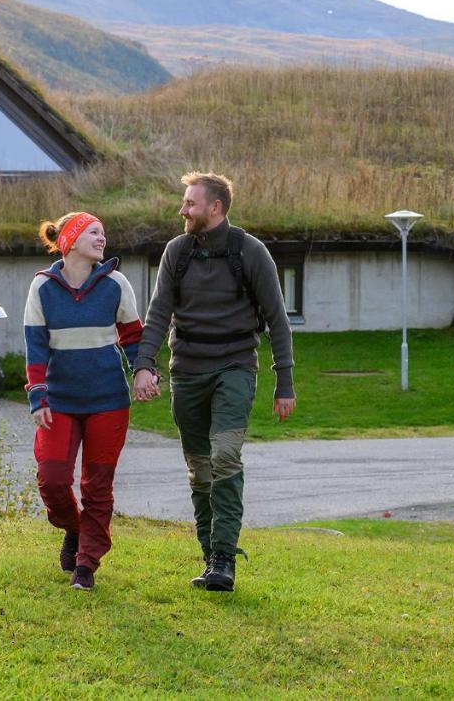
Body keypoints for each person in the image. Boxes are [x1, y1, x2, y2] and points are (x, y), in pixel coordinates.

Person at [132, 172, 296, 593]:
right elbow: (158, 313)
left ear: (215, 208)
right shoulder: (177, 252)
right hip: (187, 370)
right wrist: (144, 365)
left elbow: (278, 319)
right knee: (200, 470)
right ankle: (210, 557)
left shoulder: (250, 252)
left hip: (235, 367)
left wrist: (284, 382)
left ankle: (224, 558)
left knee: (225, 456)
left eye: (190, 203)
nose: (182, 210)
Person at [24, 211, 144, 591]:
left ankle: (86, 565)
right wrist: (37, 393)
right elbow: (35, 344)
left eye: (104, 233)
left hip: (108, 400)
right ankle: (75, 529)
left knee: (97, 485)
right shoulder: (42, 287)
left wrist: (144, 370)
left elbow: (132, 335)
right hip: (58, 400)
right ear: (71, 240)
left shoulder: (116, 283)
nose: (102, 238)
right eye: (93, 232)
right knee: (52, 478)